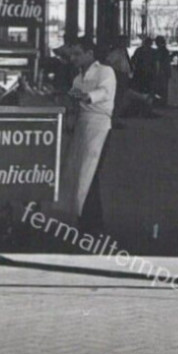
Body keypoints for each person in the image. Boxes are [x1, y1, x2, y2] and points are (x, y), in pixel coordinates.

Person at [64, 38, 116, 229]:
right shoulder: (78, 78)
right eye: (71, 54)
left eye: (77, 54)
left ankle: (93, 224)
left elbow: (104, 91)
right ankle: (85, 219)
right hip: (82, 126)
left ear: (90, 54)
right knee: (80, 173)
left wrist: (87, 96)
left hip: (100, 126)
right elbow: (73, 98)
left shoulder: (105, 71)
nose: (73, 58)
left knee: (91, 173)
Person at [131, 37, 157, 102]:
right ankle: (147, 100)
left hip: (142, 71)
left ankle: (142, 100)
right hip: (145, 72)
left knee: (141, 87)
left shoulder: (139, 50)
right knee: (147, 87)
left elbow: (133, 60)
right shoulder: (153, 51)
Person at [153, 36, 173, 105]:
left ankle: (161, 102)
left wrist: (157, 72)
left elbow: (158, 62)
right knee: (164, 88)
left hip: (162, 71)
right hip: (166, 71)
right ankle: (163, 102)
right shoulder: (165, 50)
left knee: (160, 88)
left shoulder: (159, 50)